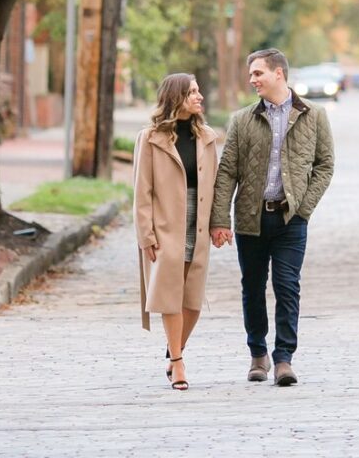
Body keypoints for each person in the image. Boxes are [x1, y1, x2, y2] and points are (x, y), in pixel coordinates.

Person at [210, 48, 334, 386]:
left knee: (286, 286)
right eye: (251, 74)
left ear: (279, 74)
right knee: (252, 287)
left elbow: (325, 166)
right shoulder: (241, 120)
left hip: (290, 220)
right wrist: (219, 220)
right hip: (251, 218)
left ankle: (284, 359)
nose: (252, 80)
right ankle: (257, 354)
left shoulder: (314, 115)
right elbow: (226, 174)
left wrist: (304, 208)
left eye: (258, 73)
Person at [133, 73, 219, 391]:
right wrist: (146, 234)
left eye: (198, 91)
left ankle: (173, 351)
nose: (199, 96)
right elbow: (142, 191)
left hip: (198, 221)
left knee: (193, 300)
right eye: (192, 92)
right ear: (176, 98)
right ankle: (179, 364)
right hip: (166, 224)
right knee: (171, 294)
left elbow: (216, 186)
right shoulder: (151, 138)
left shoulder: (207, 137)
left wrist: (219, 223)